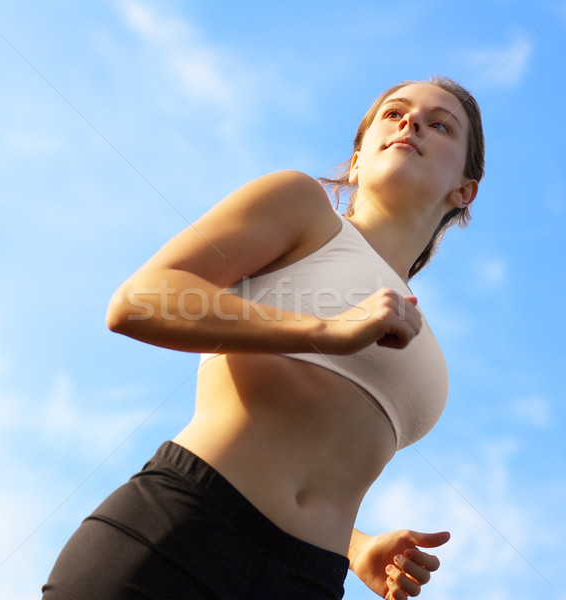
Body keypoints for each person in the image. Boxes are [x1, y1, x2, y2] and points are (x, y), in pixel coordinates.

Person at [42, 76, 484, 600]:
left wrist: (355, 545)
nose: (411, 123)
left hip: (307, 580)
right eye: (393, 113)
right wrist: (323, 330)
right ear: (357, 159)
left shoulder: (428, 346)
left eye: (440, 125)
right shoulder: (304, 210)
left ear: (463, 190)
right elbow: (138, 300)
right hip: (182, 530)